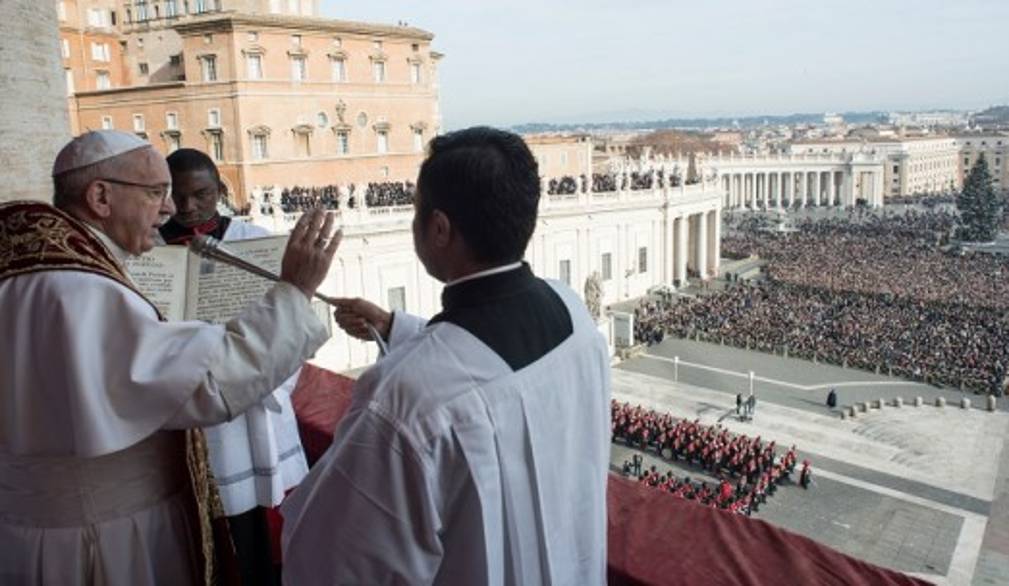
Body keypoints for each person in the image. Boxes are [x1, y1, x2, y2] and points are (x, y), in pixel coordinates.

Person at [0, 130, 339, 585]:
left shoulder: (27, 272)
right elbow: (207, 383)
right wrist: (295, 294)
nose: (169, 209)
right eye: (157, 192)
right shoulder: (81, 289)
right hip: (106, 538)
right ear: (101, 196)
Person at [282, 127, 612, 585]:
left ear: (438, 229)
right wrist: (395, 329)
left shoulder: (402, 396)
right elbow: (493, 375)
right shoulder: (572, 312)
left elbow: (334, 560)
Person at [160, 148, 309, 585]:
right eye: (178, 196)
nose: (188, 207)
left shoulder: (253, 239)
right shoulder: (150, 250)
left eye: (201, 194)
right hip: (190, 398)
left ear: (221, 191)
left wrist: (264, 379)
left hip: (254, 400)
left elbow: (290, 318)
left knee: (265, 532)